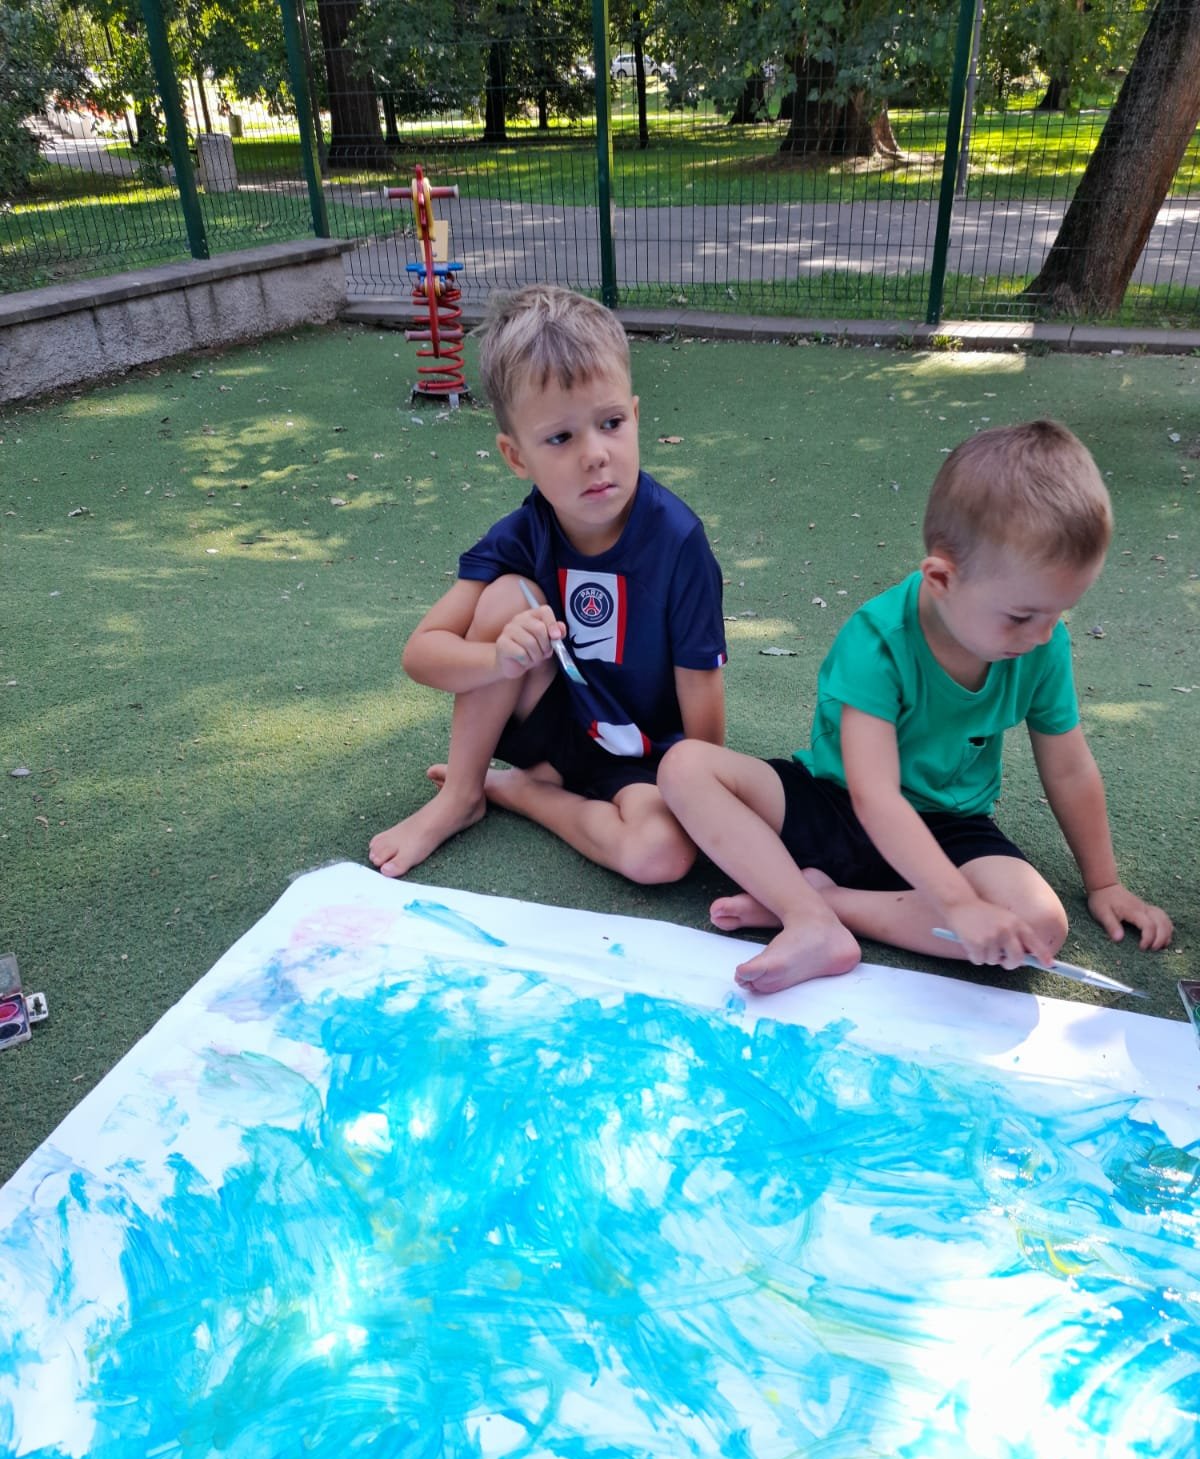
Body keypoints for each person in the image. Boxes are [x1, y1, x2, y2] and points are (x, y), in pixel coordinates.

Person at [658, 419, 1173, 994]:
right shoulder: (878, 641)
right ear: (941, 577)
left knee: (1038, 927)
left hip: (949, 827)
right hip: (835, 805)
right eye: (1022, 616)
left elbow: (1070, 767)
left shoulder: (1041, 642)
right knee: (684, 766)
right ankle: (806, 917)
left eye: (1059, 612)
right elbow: (873, 796)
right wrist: (957, 904)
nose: (1042, 634)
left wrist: (1104, 883)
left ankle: (823, 903)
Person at [369, 285, 727, 883]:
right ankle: (461, 795)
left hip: (641, 761)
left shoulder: (677, 541)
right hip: (551, 726)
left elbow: (701, 687)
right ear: (516, 457)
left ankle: (522, 792)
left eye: (611, 423)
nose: (595, 454)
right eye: (561, 437)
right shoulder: (522, 534)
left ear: (635, 417)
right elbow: (421, 654)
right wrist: (500, 660)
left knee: (659, 855)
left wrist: (708, 801)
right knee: (506, 599)